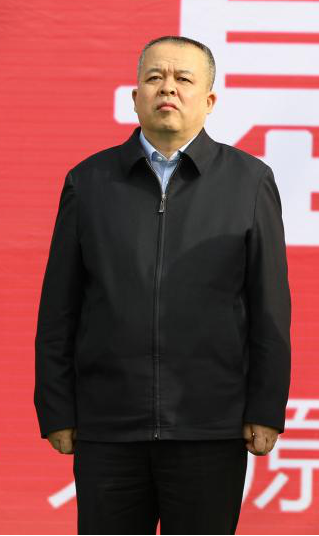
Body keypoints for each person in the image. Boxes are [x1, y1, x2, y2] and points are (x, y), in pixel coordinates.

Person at [35, 35, 291, 535]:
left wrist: (266, 408)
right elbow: (59, 307)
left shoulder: (249, 181)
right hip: (109, 427)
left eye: (183, 79)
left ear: (209, 100)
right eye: (154, 78)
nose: (167, 88)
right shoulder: (89, 182)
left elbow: (269, 308)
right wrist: (56, 407)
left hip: (208, 426)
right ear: (135, 97)